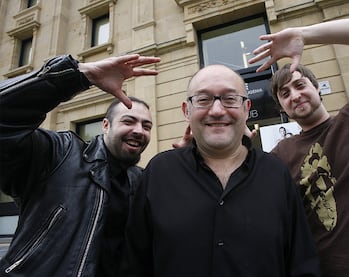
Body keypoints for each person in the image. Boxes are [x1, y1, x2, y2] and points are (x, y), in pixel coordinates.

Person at [248, 15, 349, 276]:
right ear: (282, 108)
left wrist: (304, 35)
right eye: (285, 93)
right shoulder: (280, 155)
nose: (295, 95)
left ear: (316, 88)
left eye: (300, 85)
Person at [122, 64, 321, 276]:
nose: (217, 110)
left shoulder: (277, 173)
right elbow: (134, 265)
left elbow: (302, 263)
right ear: (186, 111)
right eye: (203, 99)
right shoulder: (159, 173)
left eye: (230, 99)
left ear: (246, 109)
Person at [0, 53, 160, 276]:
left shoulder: (140, 179)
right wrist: (78, 75)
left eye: (147, 125)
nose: (139, 131)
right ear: (105, 125)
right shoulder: (59, 153)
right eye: (128, 121)